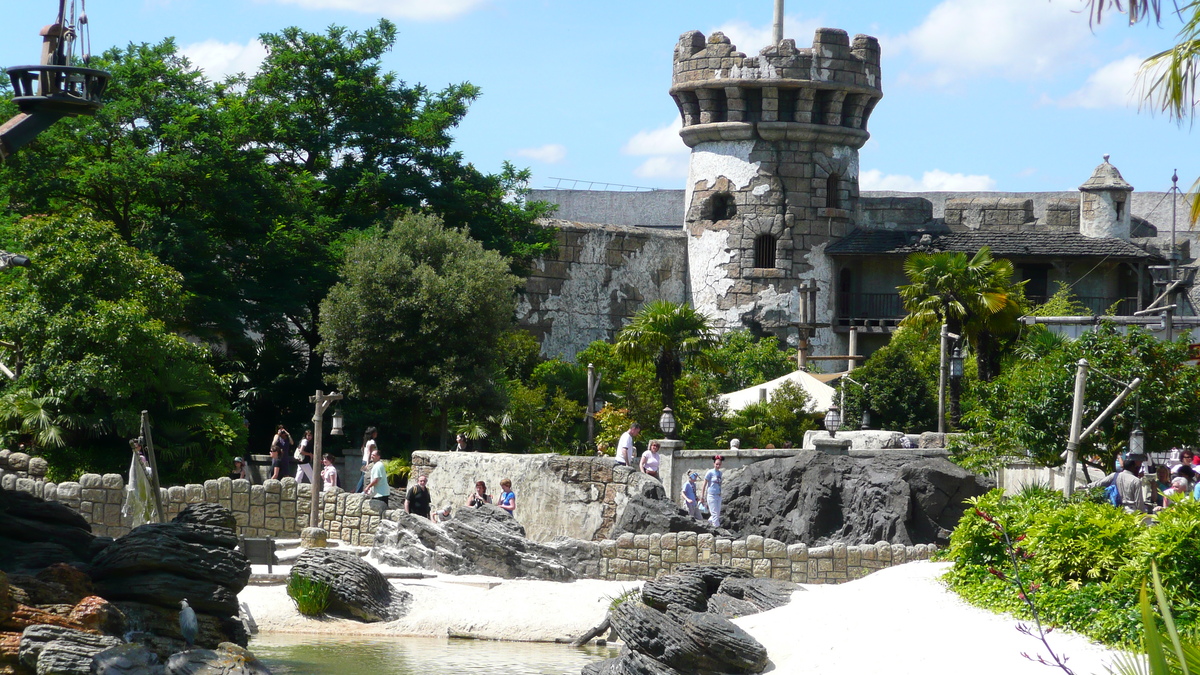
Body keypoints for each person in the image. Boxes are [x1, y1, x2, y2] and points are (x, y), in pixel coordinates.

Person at [702, 454, 724, 528]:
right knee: (714, 514)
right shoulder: (710, 472)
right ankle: (717, 529)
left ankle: (709, 523)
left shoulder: (720, 473)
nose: (718, 466)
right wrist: (702, 496)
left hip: (718, 495)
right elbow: (704, 484)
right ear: (714, 464)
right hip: (711, 495)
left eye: (719, 464)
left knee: (717, 514)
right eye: (717, 464)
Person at [355, 427, 378, 493]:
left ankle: (358, 491)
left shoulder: (366, 442)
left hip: (364, 461)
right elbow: (370, 453)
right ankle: (358, 491)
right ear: (373, 433)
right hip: (368, 461)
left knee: (362, 477)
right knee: (363, 478)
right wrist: (367, 464)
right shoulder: (372, 442)